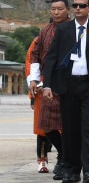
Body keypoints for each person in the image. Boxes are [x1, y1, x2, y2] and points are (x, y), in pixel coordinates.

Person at [42, 0, 89, 183]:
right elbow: (52, 58)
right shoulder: (64, 30)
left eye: (82, 5)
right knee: (70, 129)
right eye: (75, 5)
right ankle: (71, 170)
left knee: (88, 128)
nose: (78, 8)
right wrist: (47, 85)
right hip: (68, 86)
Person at [27, 0, 72, 180]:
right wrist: (34, 80)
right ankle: (63, 153)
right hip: (49, 84)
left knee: (71, 124)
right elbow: (35, 56)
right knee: (45, 124)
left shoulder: (75, 29)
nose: (56, 12)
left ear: (67, 10)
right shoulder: (44, 31)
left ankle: (69, 162)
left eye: (59, 9)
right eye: (53, 9)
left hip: (71, 83)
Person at [26, 37, 53, 173]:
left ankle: (64, 160)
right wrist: (35, 90)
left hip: (63, 87)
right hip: (41, 90)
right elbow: (30, 64)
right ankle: (43, 160)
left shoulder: (70, 35)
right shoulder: (38, 41)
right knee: (42, 129)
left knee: (65, 128)